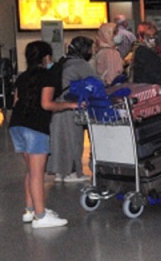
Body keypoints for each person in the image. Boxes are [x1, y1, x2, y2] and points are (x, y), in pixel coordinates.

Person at [10, 41, 80, 228]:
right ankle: (41, 217)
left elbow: (16, 102)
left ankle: (30, 210)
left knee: (30, 171)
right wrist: (70, 105)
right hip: (35, 127)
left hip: (17, 125)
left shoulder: (22, 77)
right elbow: (47, 104)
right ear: (47, 57)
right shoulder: (47, 76)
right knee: (37, 174)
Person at [48, 36, 98, 183]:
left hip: (57, 106)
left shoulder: (63, 61)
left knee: (59, 140)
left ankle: (59, 172)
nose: (91, 52)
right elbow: (97, 82)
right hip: (71, 107)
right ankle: (73, 172)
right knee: (73, 140)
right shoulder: (80, 64)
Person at [128, 21, 161, 94]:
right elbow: (157, 75)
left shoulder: (140, 50)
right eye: (149, 36)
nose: (154, 39)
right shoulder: (144, 52)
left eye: (155, 35)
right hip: (147, 92)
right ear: (142, 36)